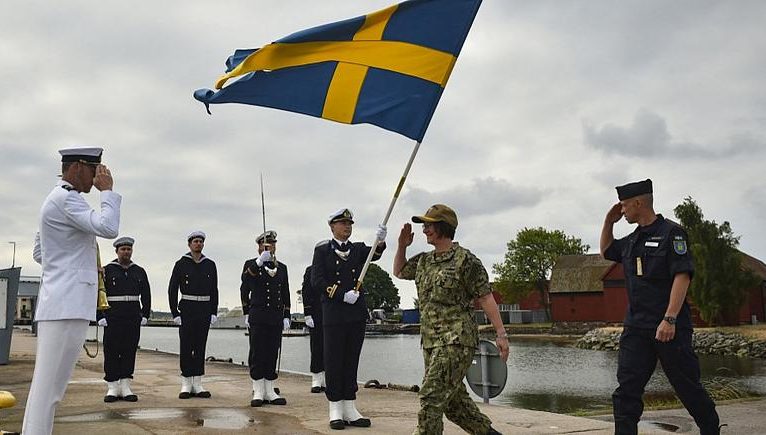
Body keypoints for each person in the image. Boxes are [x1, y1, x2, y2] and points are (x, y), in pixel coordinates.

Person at [600, 179, 721, 435]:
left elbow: (682, 275)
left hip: (669, 327)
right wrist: (609, 222)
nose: (622, 210)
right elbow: (607, 250)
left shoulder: (672, 233)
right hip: (636, 327)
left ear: (638, 202)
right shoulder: (633, 240)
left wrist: (670, 318)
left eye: (623, 205)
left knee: (687, 386)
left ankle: (710, 429)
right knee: (626, 391)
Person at [25, 147, 120, 434]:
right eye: (94, 170)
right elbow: (109, 227)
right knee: (49, 389)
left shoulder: (57, 199)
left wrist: (69, 260)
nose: (97, 177)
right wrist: (108, 193)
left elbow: (41, 253)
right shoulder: (68, 199)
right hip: (67, 304)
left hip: (62, 301)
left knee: (47, 388)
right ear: (77, 167)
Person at [393, 204, 508, 435]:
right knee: (455, 406)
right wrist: (401, 246)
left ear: (443, 227)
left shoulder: (466, 261)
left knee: (431, 396)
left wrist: (501, 335)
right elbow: (399, 271)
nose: (424, 230)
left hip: (457, 339)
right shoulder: (424, 261)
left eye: (429, 225)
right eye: (424, 225)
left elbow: (486, 298)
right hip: (431, 341)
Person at [311, 208, 386, 430]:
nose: (347, 227)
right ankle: (335, 407)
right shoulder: (323, 251)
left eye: (350, 224)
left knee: (351, 359)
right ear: (332, 226)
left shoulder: (357, 249)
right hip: (334, 313)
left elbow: (374, 254)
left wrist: (380, 242)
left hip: (355, 314)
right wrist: (341, 294)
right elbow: (317, 281)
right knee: (334, 360)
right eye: (343, 223)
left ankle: (350, 406)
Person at [240, 230, 291, 407]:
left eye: (272, 244)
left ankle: (270, 389)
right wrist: (246, 311)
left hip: (275, 316)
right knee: (257, 352)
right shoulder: (252, 265)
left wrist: (287, 314)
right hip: (258, 315)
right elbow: (245, 285)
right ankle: (258, 389)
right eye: (266, 245)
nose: (270, 247)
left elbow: (285, 292)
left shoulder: (282, 267)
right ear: (259, 247)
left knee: (271, 352)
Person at [98, 236, 151, 403]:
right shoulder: (107, 270)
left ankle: (126, 385)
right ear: (117, 251)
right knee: (112, 350)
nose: (126, 252)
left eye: (129, 249)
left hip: (132, 317)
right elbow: (98, 293)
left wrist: (145, 314)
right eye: (123, 249)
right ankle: (113, 387)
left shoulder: (139, 271)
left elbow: (146, 294)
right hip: (113, 316)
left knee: (129, 350)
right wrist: (99, 316)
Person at [168, 231, 219, 399]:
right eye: (195, 241)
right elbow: (172, 289)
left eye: (201, 241)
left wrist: (214, 311)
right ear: (189, 244)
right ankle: (186, 383)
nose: (198, 244)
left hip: (204, 308)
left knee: (200, 346)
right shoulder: (181, 264)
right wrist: (175, 312)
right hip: (187, 309)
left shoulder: (210, 264)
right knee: (186, 346)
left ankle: (197, 383)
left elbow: (214, 289)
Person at [301, 265, 325, 393]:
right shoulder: (311, 270)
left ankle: (327, 378)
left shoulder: (335, 267)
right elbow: (306, 291)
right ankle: (316, 378)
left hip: (332, 313)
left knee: (331, 349)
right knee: (316, 347)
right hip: (316, 314)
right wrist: (307, 313)